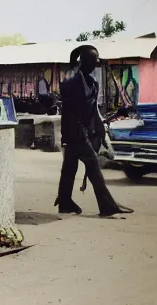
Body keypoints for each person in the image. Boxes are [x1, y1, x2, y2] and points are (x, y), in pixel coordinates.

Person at [55, 45, 134, 217]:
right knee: (93, 165)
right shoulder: (71, 85)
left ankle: (65, 202)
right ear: (83, 61)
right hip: (74, 133)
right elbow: (69, 114)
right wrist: (69, 136)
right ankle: (107, 206)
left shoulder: (93, 83)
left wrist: (100, 129)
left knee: (69, 167)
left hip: (84, 132)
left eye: (97, 58)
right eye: (93, 58)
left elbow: (93, 112)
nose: (96, 62)